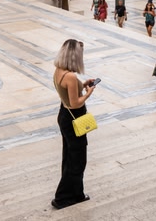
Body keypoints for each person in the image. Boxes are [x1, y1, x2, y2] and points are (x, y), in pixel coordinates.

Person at [52, 39, 97, 210]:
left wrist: (83, 85)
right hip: (73, 118)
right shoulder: (70, 76)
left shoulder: (59, 71)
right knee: (77, 159)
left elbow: (67, 94)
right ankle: (62, 197)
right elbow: (75, 103)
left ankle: (77, 193)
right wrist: (89, 93)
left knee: (69, 156)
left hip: (64, 115)